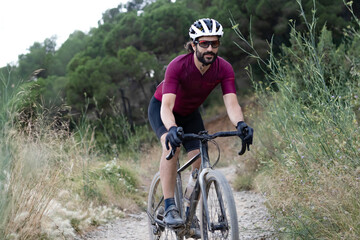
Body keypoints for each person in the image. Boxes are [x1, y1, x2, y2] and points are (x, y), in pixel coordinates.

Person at [147, 18, 254, 233]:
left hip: (189, 114)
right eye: (204, 43)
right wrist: (171, 129)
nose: (210, 48)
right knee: (172, 147)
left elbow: (231, 103)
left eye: (214, 44)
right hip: (163, 110)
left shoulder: (223, 68)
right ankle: (169, 207)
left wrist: (241, 124)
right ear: (194, 44)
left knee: (198, 157)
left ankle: (188, 210)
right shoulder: (178, 66)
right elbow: (167, 106)